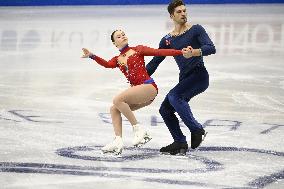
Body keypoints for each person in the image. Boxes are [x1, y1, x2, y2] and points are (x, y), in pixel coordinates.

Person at [81, 29, 188, 155]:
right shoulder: (117, 59)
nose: (123, 37)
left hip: (148, 87)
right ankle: (118, 141)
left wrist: (180, 52)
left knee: (117, 100)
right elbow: (107, 64)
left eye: (123, 34)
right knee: (114, 109)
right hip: (140, 92)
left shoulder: (138, 49)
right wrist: (92, 56)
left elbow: (159, 52)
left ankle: (139, 130)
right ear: (115, 43)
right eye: (119, 36)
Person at [146, 0, 216, 155]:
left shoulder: (196, 29)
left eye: (185, 11)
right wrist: (140, 77)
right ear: (172, 16)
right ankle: (180, 142)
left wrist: (194, 52)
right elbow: (156, 61)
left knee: (174, 96)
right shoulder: (167, 40)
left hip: (199, 76)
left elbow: (211, 48)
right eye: (179, 11)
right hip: (184, 79)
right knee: (165, 109)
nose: (183, 13)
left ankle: (197, 129)